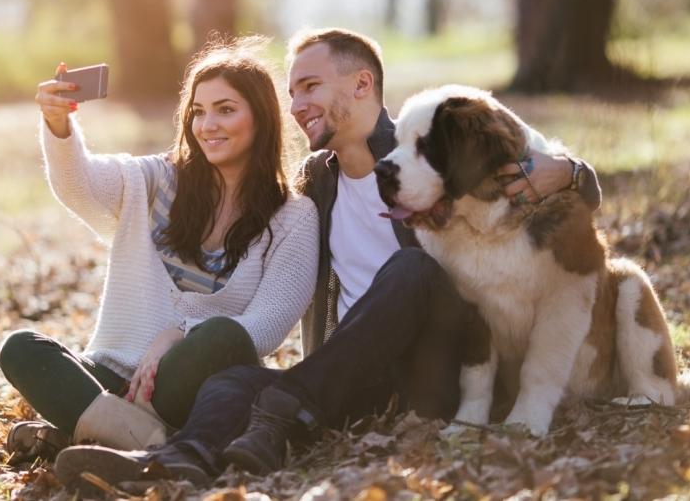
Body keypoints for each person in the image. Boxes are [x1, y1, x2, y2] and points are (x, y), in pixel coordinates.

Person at [54, 28, 602, 486]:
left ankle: (284, 410)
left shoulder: (429, 153)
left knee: (411, 269)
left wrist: (576, 173)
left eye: (310, 86)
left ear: (363, 84)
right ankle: (175, 462)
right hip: (350, 373)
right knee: (233, 382)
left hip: (440, 362)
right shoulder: (317, 181)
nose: (296, 107)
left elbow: (543, 180)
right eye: (292, 93)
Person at [0, 40, 319, 464]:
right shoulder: (155, 180)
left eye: (226, 109)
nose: (208, 125)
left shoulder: (293, 216)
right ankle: (154, 448)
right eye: (199, 111)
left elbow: (267, 325)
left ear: (261, 118)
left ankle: (89, 430)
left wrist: (179, 334)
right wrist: (59, 127)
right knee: (21, 348)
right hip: (112, 376)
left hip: (190, 386)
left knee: (225, 334)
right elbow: (82, 185)